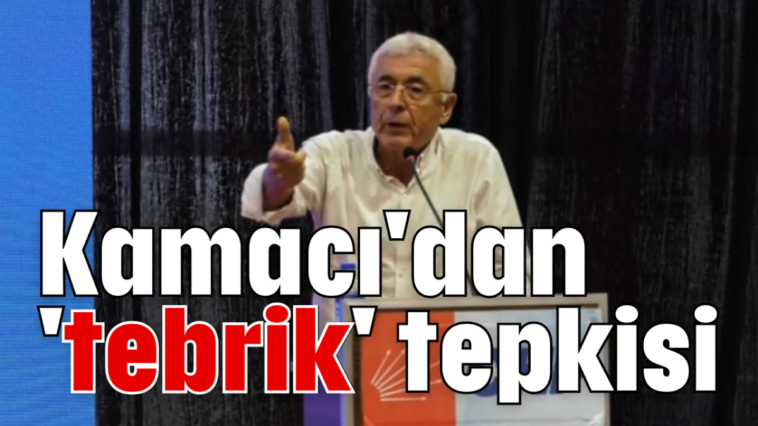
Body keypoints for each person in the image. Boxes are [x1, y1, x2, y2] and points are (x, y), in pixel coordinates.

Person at [241, 32, 530, 329]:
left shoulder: (475, 159)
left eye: (415, 90)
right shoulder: (332, 154)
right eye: (385, 87)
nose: (395, 102)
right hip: (345, 352)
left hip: (443, 350)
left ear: (446, 107)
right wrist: (277, 181)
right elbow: (268, 201)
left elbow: (510, 275)